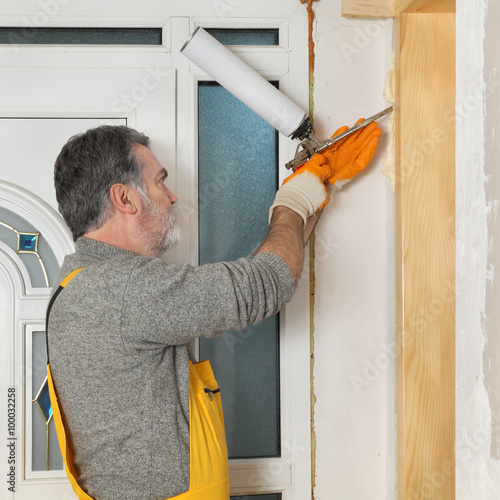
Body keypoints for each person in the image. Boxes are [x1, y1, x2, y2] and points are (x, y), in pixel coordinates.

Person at [48, 121, 381, 500]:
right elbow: (265, 284)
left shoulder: (81, 285)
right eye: (160, 181)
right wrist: (294, 200)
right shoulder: (124, 289)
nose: (171, 197)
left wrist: (312, 192)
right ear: (125, 198)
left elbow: (257, 280)